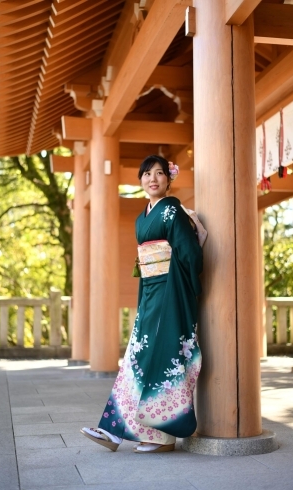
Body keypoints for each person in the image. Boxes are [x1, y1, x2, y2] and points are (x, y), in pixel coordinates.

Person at [81, 155, 203, 453]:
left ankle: (159, 437)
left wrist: (180, 282)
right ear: (140, 180)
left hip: (170, 294)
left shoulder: (171, 209)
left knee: (158, 360)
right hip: (150, 294)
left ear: (168, 179)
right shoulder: (142, 217)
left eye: (160, 173)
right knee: (136, 361)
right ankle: (118, 431)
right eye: (147, 174)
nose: (153, 179)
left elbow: (188, 252)